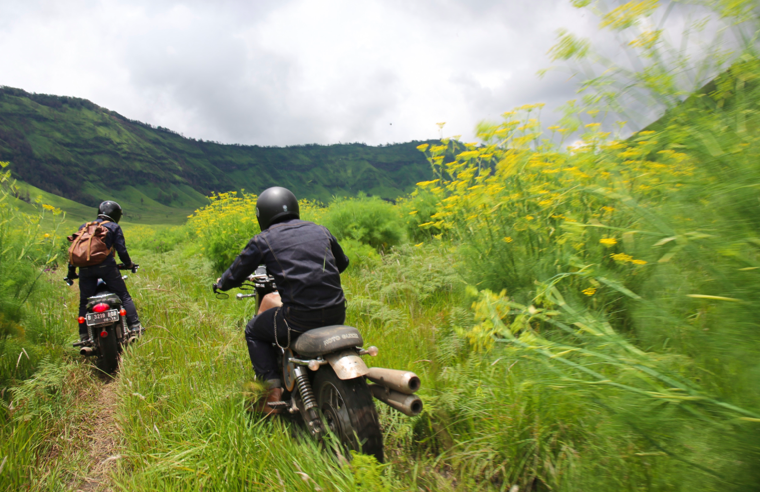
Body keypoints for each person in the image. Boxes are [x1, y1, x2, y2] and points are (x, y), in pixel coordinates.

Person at [215, 186, 349, 414]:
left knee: (253, 330)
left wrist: (221, 283)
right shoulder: (321, 230)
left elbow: (235, 274)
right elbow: (342, 263)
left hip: (298, 320)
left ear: (263, 215)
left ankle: (272, 391)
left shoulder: (264, 239)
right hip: (337, 312)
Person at [68, 200, 143, 341]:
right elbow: (121, 250)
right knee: (124, 296)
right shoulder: (113, 227)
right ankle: (135, 327)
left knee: (85, 301)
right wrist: (129, 264)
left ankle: (84, 336)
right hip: (107, 268)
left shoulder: (85, 227)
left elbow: (77, 251)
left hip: (85, 270)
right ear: (115, 215)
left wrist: (71, 272)